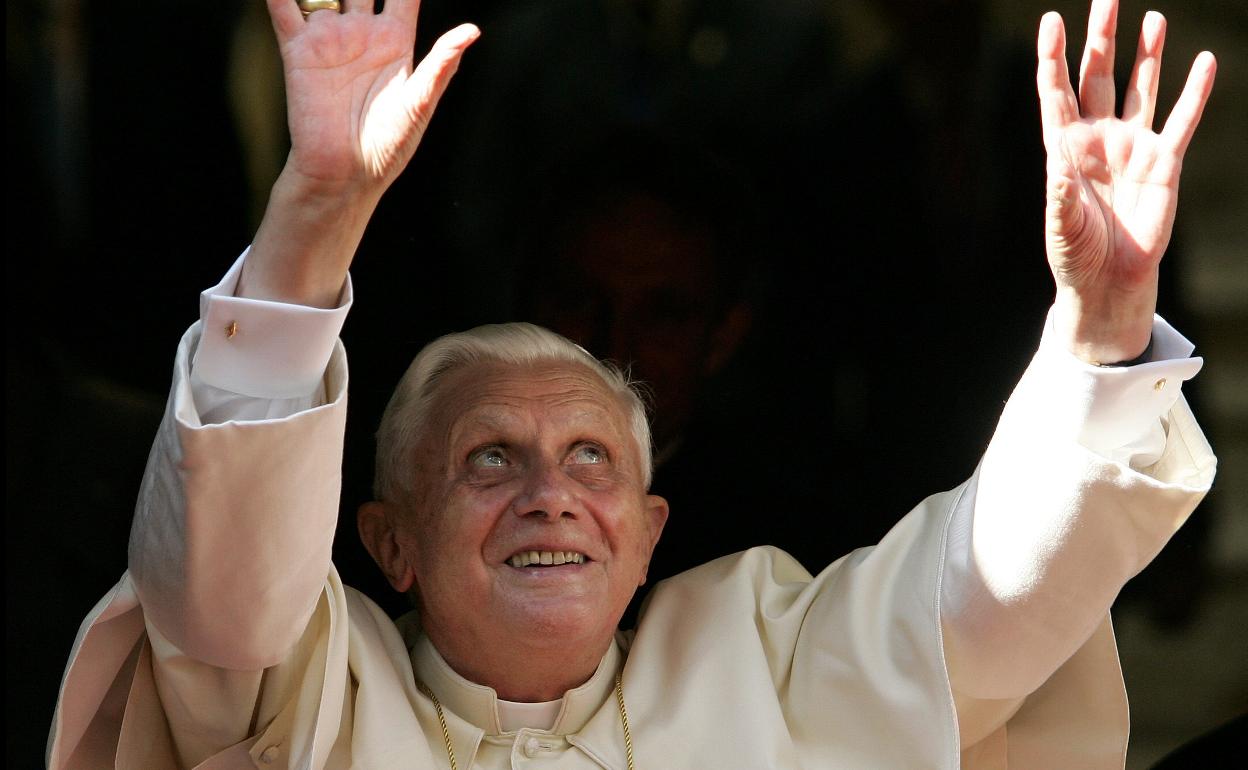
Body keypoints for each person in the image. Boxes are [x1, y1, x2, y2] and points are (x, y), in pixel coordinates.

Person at [47, 0, 1218, 767]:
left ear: (653, 533)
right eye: (489, 456)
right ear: (388, 541)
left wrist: (1097, 334)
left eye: (591, 458)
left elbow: (990, 592)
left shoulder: (767, 660)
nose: (549, 494)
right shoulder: (302, 690)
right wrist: (317, 211)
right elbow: (226, 572)